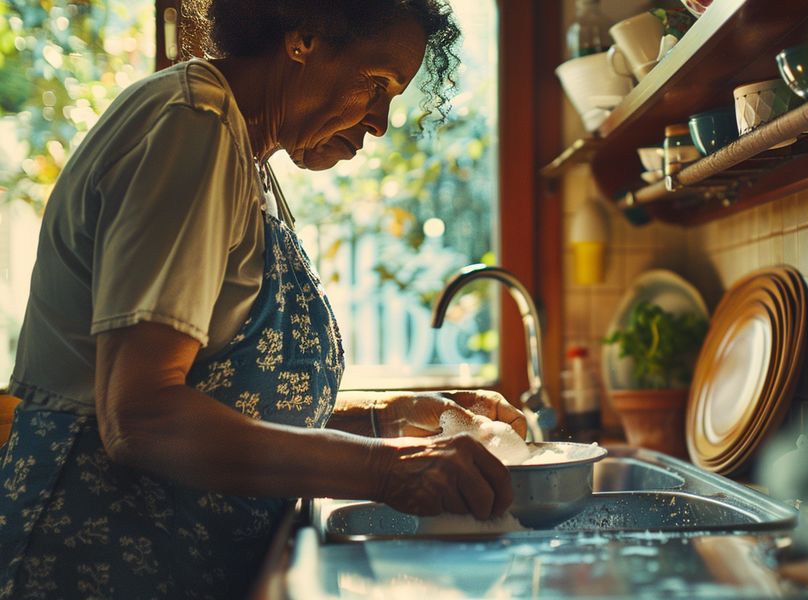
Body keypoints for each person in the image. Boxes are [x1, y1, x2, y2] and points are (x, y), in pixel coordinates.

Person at [0, 1, 525, 597]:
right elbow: (141, 418)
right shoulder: (190, 125)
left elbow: (233, 401)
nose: (380, 122)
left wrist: (390, 420)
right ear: (302, 38)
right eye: (375, 84)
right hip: (95, 560)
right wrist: (386, 470)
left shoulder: (243, 150)